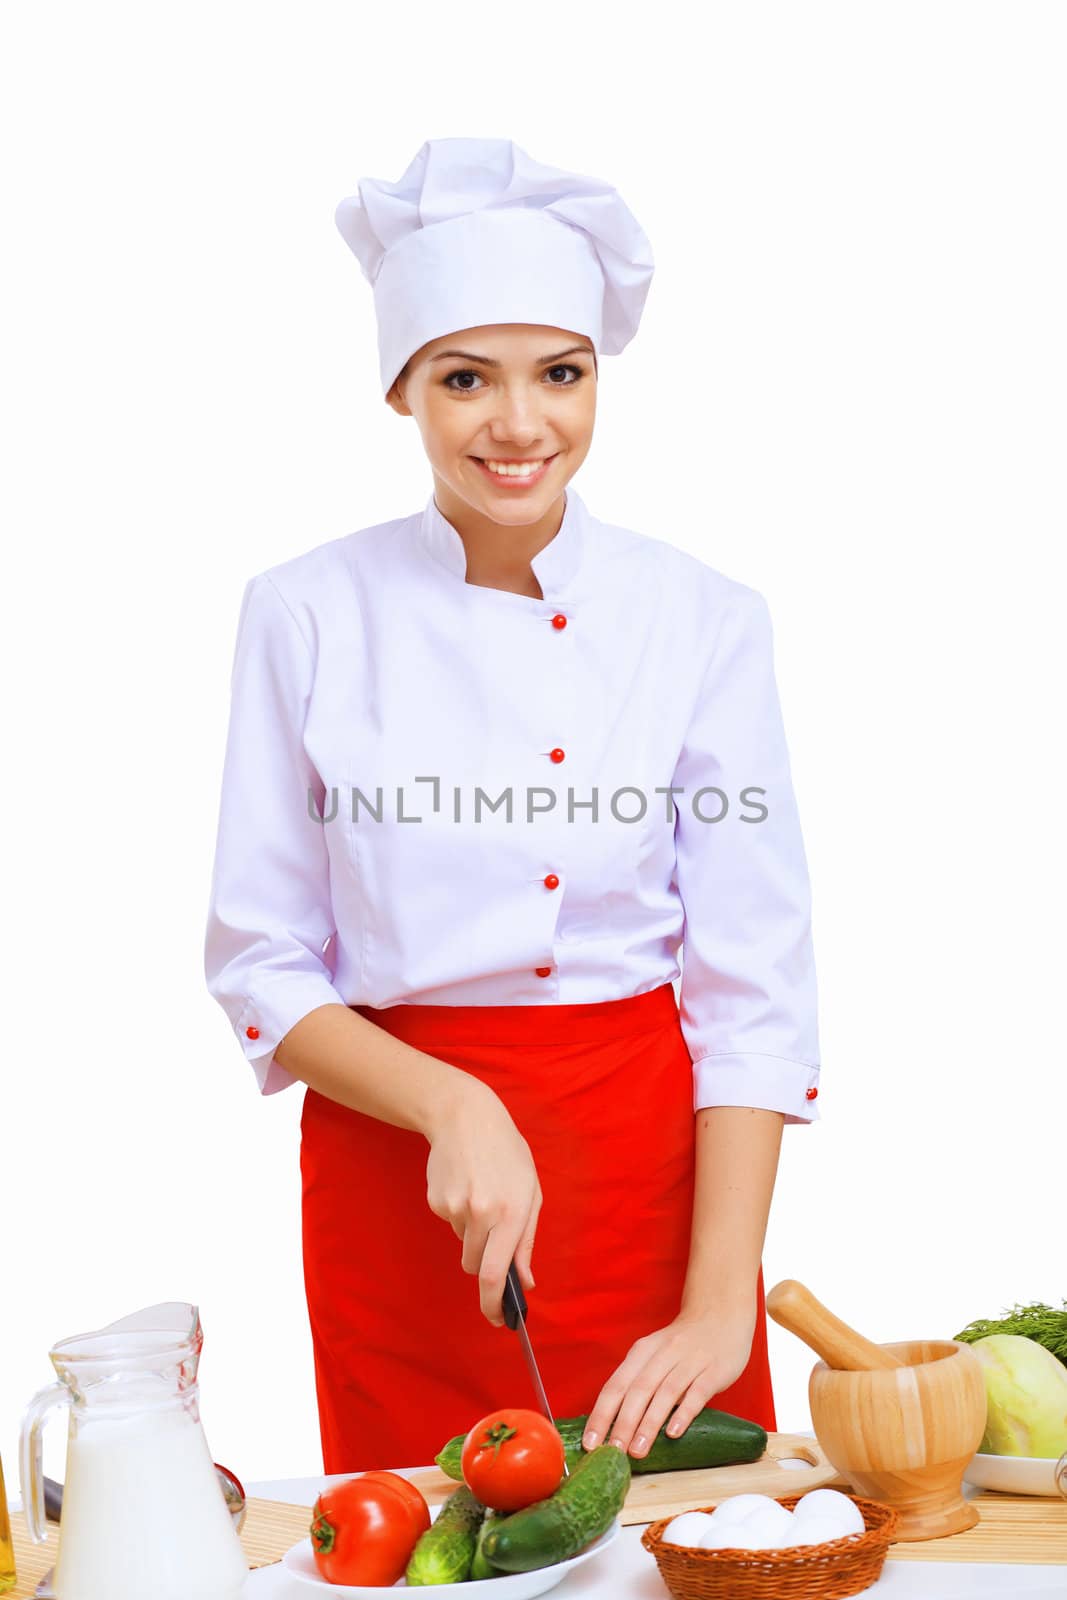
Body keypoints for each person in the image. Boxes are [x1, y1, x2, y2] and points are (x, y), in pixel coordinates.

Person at [203, 137, 822, 1475]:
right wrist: (451, 1104)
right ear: (401, 390)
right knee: (421, 1543)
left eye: (561, 373)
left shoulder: (703, 620)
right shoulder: (305, 614)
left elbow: (753, 985)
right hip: (401, 1184)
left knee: (700, 1547)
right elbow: (258, 959)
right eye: (465, 378)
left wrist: (721, 1303)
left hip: (655, 1191)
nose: (519, 424)